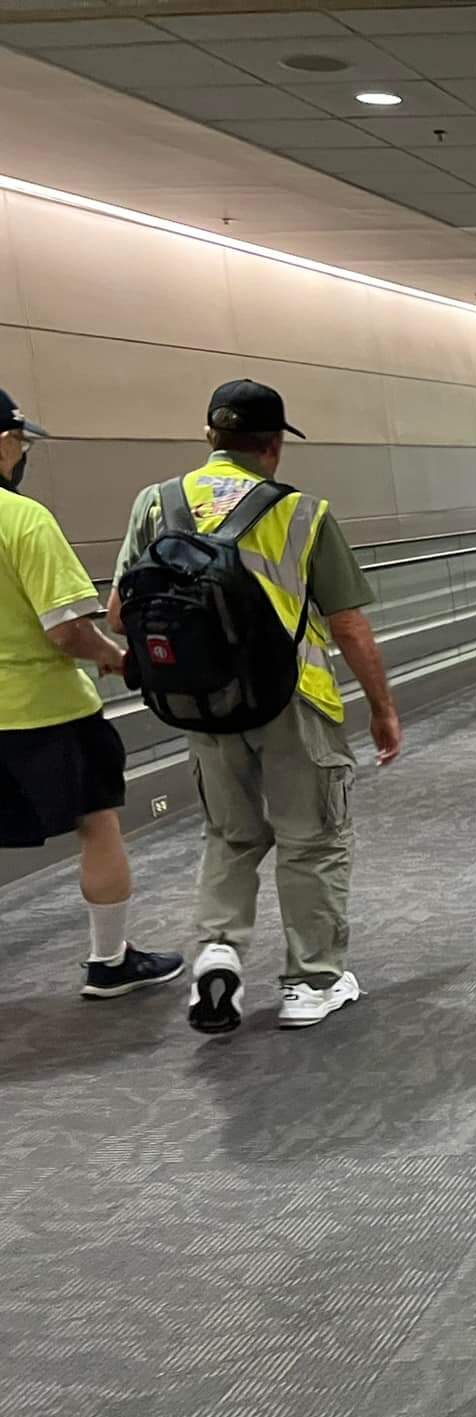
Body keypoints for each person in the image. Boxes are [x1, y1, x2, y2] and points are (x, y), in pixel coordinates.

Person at [107, 381, 401, 1032]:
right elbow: (349, 625)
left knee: (231, 835)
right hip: (293, 700)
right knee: (312, 840)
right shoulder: (304, 513)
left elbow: (120, 614)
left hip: (203, 703)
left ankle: (219, 952)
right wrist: (382, 707)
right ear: (273, 447)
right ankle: (311, 982)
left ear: (211, 437)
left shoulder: (155, 504)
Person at [0, 388, 184, 997]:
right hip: (41, 712)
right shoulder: (23, 520)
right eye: (21, 443)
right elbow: (67, 630)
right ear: (2, 444)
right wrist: (116, 658)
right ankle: (110, 960)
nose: (21, 454)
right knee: (97, 823)